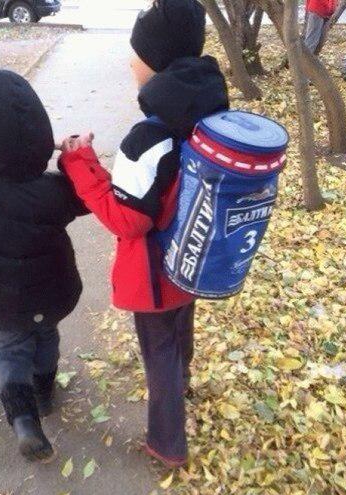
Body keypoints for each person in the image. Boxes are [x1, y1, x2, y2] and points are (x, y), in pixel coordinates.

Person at [59, 0, 229, 468]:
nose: (129, 63)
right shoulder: (209, 110)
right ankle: (184, 380)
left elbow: (126, 220)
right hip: (191, 254)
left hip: (154, 270)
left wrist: (80, 164)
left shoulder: (145, 138)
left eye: (134, 54)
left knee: (159, 352)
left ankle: (167, 443)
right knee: (179, 329)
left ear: (153, 62)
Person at [0, 71, 87, 462]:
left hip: (3, 301)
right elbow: (88, 199)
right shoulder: (54, 188)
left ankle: (24, 420)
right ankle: (44, 393)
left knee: (10, 350)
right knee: (46, 336)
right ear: (38, 130)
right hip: (54, 293)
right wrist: (71, 157)